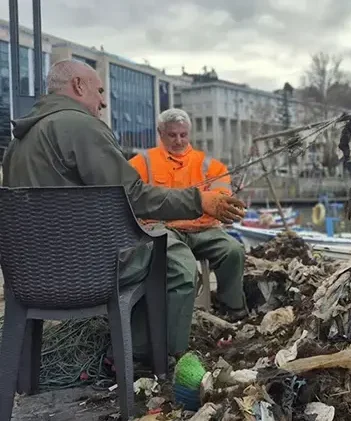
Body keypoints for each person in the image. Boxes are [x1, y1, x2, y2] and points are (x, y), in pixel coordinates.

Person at [1, 59, 246, 359]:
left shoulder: (17, 144)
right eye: (100, 91)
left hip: (32, 278)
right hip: (90, 272)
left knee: (180, 251)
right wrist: (198, 200)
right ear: (78, 86)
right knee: (178, 263)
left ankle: (126, 348)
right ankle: (150, 356)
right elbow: (132, 195)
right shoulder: (82, 127)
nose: (103, 102)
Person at [129, 108, 246, 321]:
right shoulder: (142, 162)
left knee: (234, 250)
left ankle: (232, 306)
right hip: (163, 229)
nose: (179, 140)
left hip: (203, 230)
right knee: (183, 264)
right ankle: (178, 316)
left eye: (183, 135)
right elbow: (129, 194)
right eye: (172, 135)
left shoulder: (211, 166)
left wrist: (223, 203)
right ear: (160, 133)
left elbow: (223, 195)